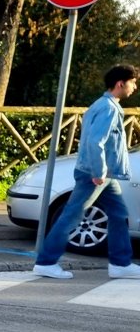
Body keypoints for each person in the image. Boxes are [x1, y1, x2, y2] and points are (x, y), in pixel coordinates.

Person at [34, 64, 139, 279]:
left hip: (106, 175)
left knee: (119, 215)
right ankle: (46, 262)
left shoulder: (101, 105)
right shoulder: (108, 108)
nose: (135, 87)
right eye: (133, 82)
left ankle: (120, 264)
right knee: (71, 216)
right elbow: (95, 141)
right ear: (121, 83)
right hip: (96, 174)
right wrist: (99, 171)